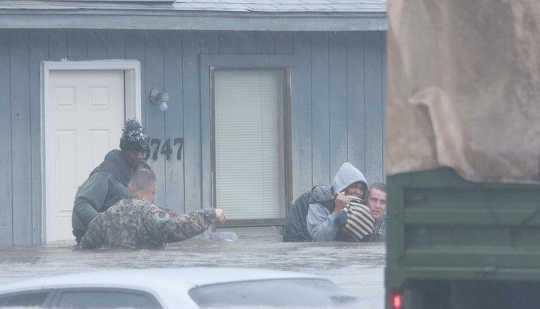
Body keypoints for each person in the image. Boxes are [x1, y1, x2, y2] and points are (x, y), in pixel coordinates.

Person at [80, 168, 226, 249]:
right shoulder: (149, 213)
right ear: (153, 190)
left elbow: (85, 247)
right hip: (144, 283)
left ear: (130, 188)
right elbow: (177, 228)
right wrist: (210, 214)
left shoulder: (105, 217)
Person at [72, 119, 150, 243]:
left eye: (142, 152)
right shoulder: (105, 174)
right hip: (99, 247)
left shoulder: (135, 174)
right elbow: (81, 204)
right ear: (125, 150)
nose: (140, 156)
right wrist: (105, 228)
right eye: (135, 152)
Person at [283, 162, 369, 242]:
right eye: (353, 187)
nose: (358, 192)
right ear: (342, 187)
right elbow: (319, 237)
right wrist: (337, 210)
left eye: (361, 189)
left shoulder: (354, 205)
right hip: (298, 243)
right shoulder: (321, 197)